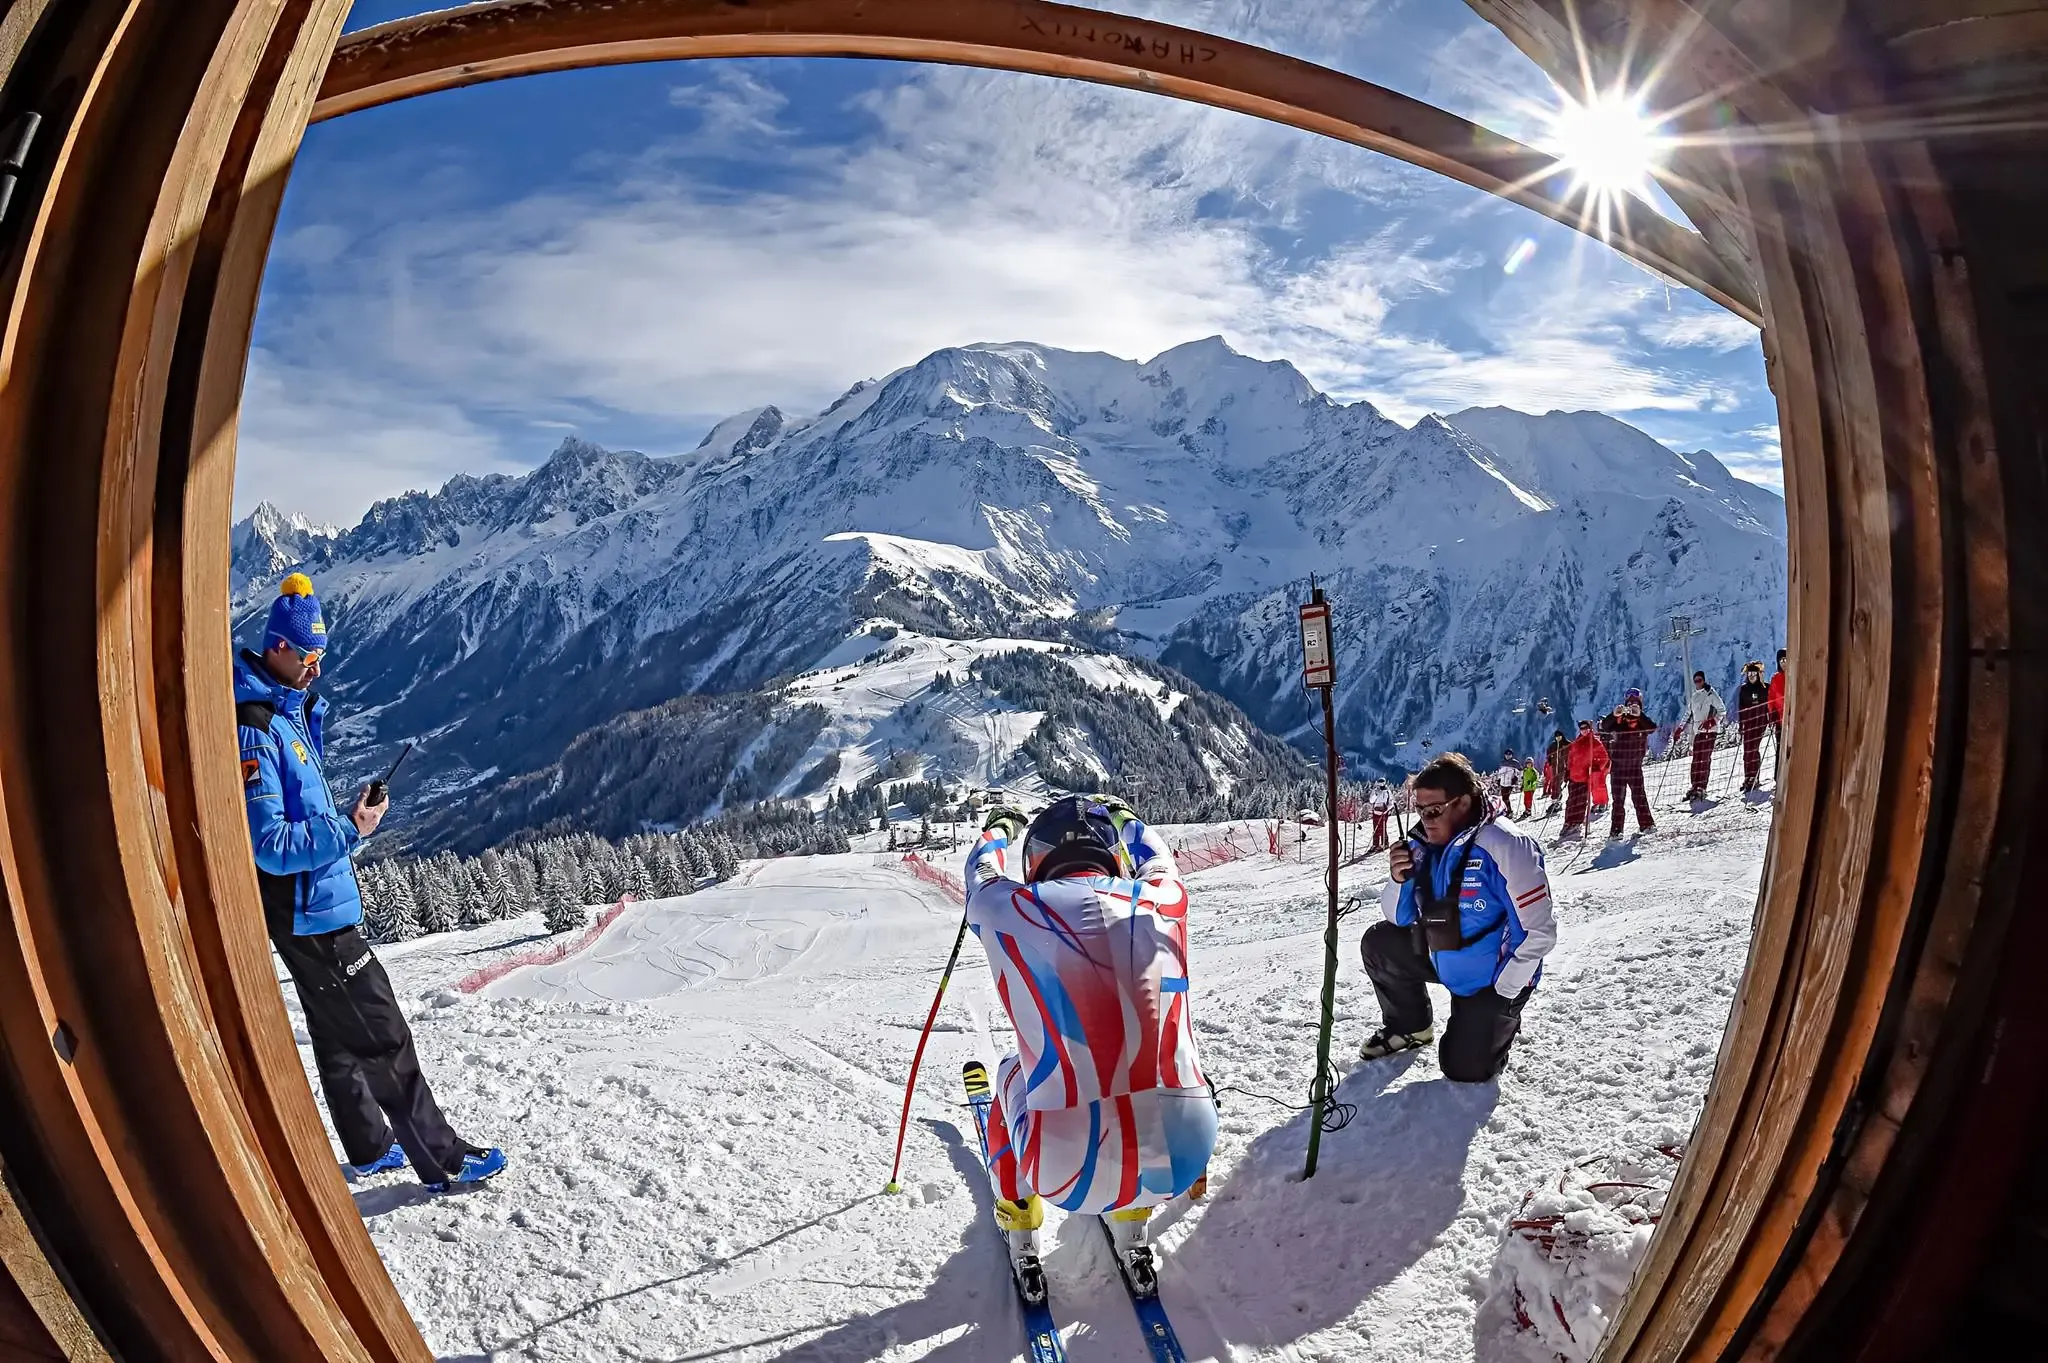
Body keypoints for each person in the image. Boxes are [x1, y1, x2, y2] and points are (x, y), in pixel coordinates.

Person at [237, 574, 505, 1192]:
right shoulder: (257, 728)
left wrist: (346, 820)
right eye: (309, 656)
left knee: (336, 1034)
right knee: (385, 1037)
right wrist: (351, 828)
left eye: (322, 655)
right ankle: (444, 1160)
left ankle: (368, 1148)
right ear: (278, 647)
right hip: (311, 914)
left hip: (311, 907)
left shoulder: (286, 711)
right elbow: (271, 846)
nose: (317, 669)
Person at [963, 795, 1216, 1296]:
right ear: (1111, 856)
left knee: (1012, 1071)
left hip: (1063, 1171)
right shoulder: (1164, 897)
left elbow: (980, 869)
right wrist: (1125, 817)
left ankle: (1019, 1218)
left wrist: (1000, 828)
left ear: (1037, 861)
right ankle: (1133, 1213)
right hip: (1187, 1153)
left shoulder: (1008, 907)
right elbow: (1155, 852)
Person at [1357, 753, 1557, 1081]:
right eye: (1419, 809)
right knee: (1379, 943)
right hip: (1444, 954)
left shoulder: (1507, 845)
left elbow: (1538, 932)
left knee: (1464, 1069)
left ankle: (1495, 1029)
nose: (1425, 819)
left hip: (1491, 982)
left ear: (1463, 802)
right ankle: (1410, 1027)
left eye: (1434, 810)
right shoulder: (1422, 844)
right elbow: (1397, 918)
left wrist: (1502, 994)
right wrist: (1398, 879)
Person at [1598, 689, 1659, 838]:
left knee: (1639, 796)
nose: (1632, 705)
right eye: (1629, 702)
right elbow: (1604, 726)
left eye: (1635, 702)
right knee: (1618, 800)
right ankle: (1616, 831)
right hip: (1618, 766)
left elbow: (1652, 728)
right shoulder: (1619, 719)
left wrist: (1639, 715)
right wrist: (1614, 715)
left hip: (1634, 765)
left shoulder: (1641, 721)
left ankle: (1647, 825)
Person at [1681, 670, 1729, 801]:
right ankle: (1694, 785)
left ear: (1703, 680)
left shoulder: (1711, 694)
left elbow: (1722, 710)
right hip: (1698, 732)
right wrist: (1680, 728)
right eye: (1695, 681)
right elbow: (1688, 713)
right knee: (1696, 759)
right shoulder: (1694, 696)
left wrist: (1713, 721)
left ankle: (1702, 786)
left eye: (1699, 680)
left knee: (1705, 759)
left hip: (1710, 732)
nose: (1698, 683)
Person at [1562, 719, 1606, 839]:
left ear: (1589, 728)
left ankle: (1577, 822)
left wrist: (1596, 767)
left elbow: (1604, 757)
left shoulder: (1594, 742)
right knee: (1571, 801)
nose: (1584, 730)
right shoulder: (1576, 742)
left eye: (1586, 728)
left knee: (1581, 801)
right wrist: (1567, 771)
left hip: (1585, 777)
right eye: (1582, 728)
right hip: (1573, 777)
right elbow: (1570, 758)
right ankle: (1568, 821)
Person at [1736, 660, 1772, 792]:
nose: (1751, 676)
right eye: (1750, 674)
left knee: (1754, 749)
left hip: (1760, 722)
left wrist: (1770, 718)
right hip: (1748, 723)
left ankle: (1754, 777)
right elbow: (1741, 708)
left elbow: (1769, 705)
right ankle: (1748, 776)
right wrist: (1741, 725)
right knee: (1747, 750)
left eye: (1754, 674)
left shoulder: (1765, 688)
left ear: (1758, 675)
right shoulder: (1744, 689)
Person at [1543, 729, 1569, 811]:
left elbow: (1571, 754)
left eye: (1559, 736)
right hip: (1554, 767)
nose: (1558, 737)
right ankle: (1554, 801)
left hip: (1563, 768)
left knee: (1557, 784)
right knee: (1554, 783)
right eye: (1556, 736)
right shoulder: (1553, 745)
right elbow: (1548, 753)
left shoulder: (1566, 744)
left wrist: (1568, 765)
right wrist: (1549, 761)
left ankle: (1557, 801)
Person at [1369, 778, 1394, 853]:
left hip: (1384, 813)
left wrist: (1386, 809)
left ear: (1384, 783)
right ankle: (1375, 844)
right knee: (1375, 828)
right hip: (1376, 812)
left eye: (1382, 783)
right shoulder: (1375, 791)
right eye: (1379, 783)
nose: (1380, 784)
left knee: (1383, 827)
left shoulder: (1387, 792)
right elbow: (1371, 800)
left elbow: (1391, 802)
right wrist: (1375, 794)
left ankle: (1384, 843)